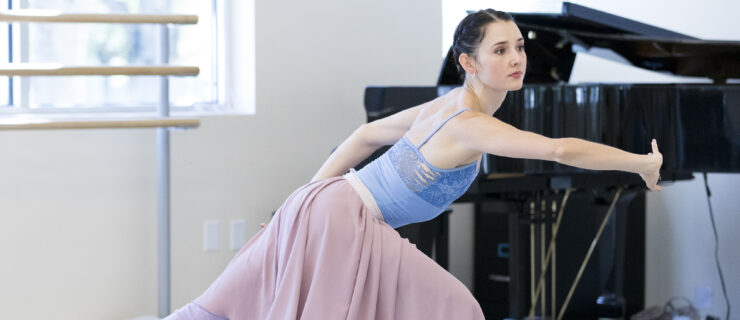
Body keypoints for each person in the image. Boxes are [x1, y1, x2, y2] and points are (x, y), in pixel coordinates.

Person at [165, 8, 662, 320]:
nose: (517, 59)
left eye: (519, 47)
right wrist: (640, 162)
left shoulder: (443, 104)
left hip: (332, 205)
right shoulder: (467, 121)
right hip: (344, 214)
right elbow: (560, 150)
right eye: (500, 50)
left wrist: (303, 201)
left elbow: (363, 136)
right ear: (468, 63)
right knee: (457, 307)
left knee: (236, 302)